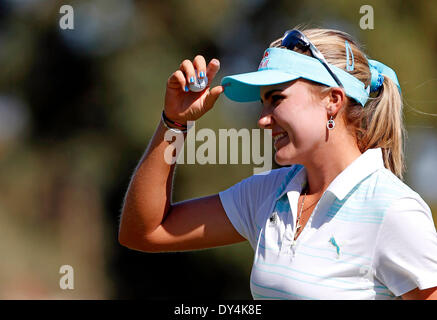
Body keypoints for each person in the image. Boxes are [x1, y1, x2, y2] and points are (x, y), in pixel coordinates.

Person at [118, 27, 437, 300]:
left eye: (277, 99)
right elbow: (144, 232)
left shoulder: (394, 211)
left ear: (333, 101)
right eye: (262, 103)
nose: (262, 120)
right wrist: (174, 123)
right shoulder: (269, 194)